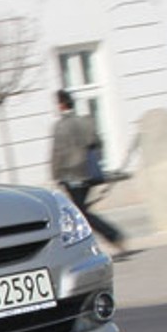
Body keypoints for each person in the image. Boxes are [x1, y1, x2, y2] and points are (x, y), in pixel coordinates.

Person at [48, 90, 130, 259]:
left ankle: (111, 236)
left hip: (71, 175)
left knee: (80, 213)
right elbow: (98, 143)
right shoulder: (86, 122)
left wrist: (55, 175)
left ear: (61, 105)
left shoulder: (60, 126)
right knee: (81, 211)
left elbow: (58, 153)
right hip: (87, 173)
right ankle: (109, 238)